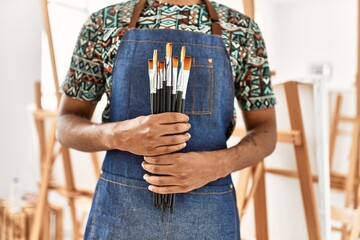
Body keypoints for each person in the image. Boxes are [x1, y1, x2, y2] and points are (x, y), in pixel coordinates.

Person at [57, 0, 277, 239]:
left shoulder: (242, 31)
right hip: (121, 216)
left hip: (209, 216)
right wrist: (116, 134)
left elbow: (266, 131)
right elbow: (65, 124)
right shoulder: (102, 25)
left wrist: (220, 164)